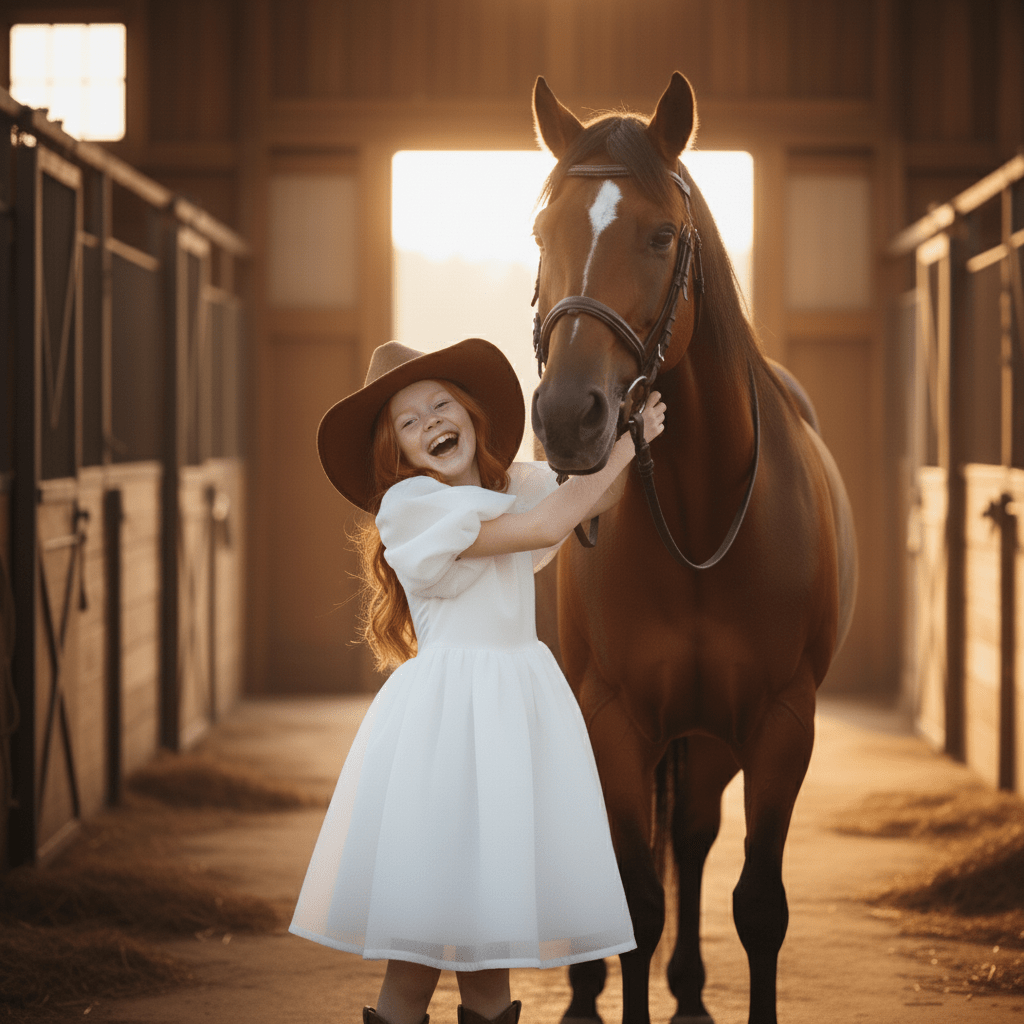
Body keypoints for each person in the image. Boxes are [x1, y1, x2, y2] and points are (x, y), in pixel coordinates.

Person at [290, 338, 665, 1024]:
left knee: (490, 971)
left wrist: (625, 426)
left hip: (510, 718)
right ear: (396, 453)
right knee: (415, 965)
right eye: (409, 421)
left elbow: (583, 500)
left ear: (469, 414)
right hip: (445, 727)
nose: (431, 422)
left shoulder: (507, 490)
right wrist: (627, 447)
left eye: (441, 405)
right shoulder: (412, 508)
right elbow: (552, 520)